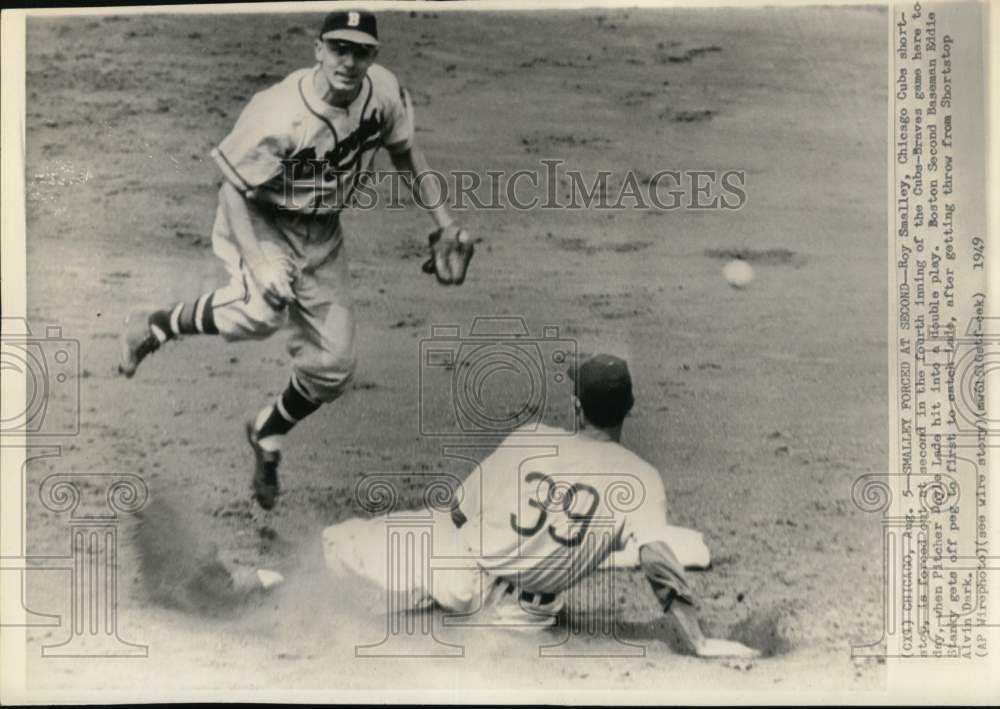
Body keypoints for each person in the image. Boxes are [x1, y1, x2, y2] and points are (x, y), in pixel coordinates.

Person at [118, 10, 475, 510]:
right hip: (262, 219)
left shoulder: (384, 92)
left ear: (374, 57)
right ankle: (156, 325)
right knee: (263, 308)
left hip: (323, 233)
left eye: (361, 52)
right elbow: (232, 191)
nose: (348, 62)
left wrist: (443, 222)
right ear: (318, 50)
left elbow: (405, 151)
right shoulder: (278, 112)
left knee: (334, 366)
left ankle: (267, 432)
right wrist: (260, 264)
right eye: (338, 49)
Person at [323, 354, 760, 658]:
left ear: (576, 407)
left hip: (460, 576)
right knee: (641, 542)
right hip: (527, 615)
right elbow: (659, 567)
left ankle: (349, 608)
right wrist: (699, 642)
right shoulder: (642, 480)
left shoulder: (532, 437)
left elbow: (457, 512)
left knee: (338, 542)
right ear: (629, 408)